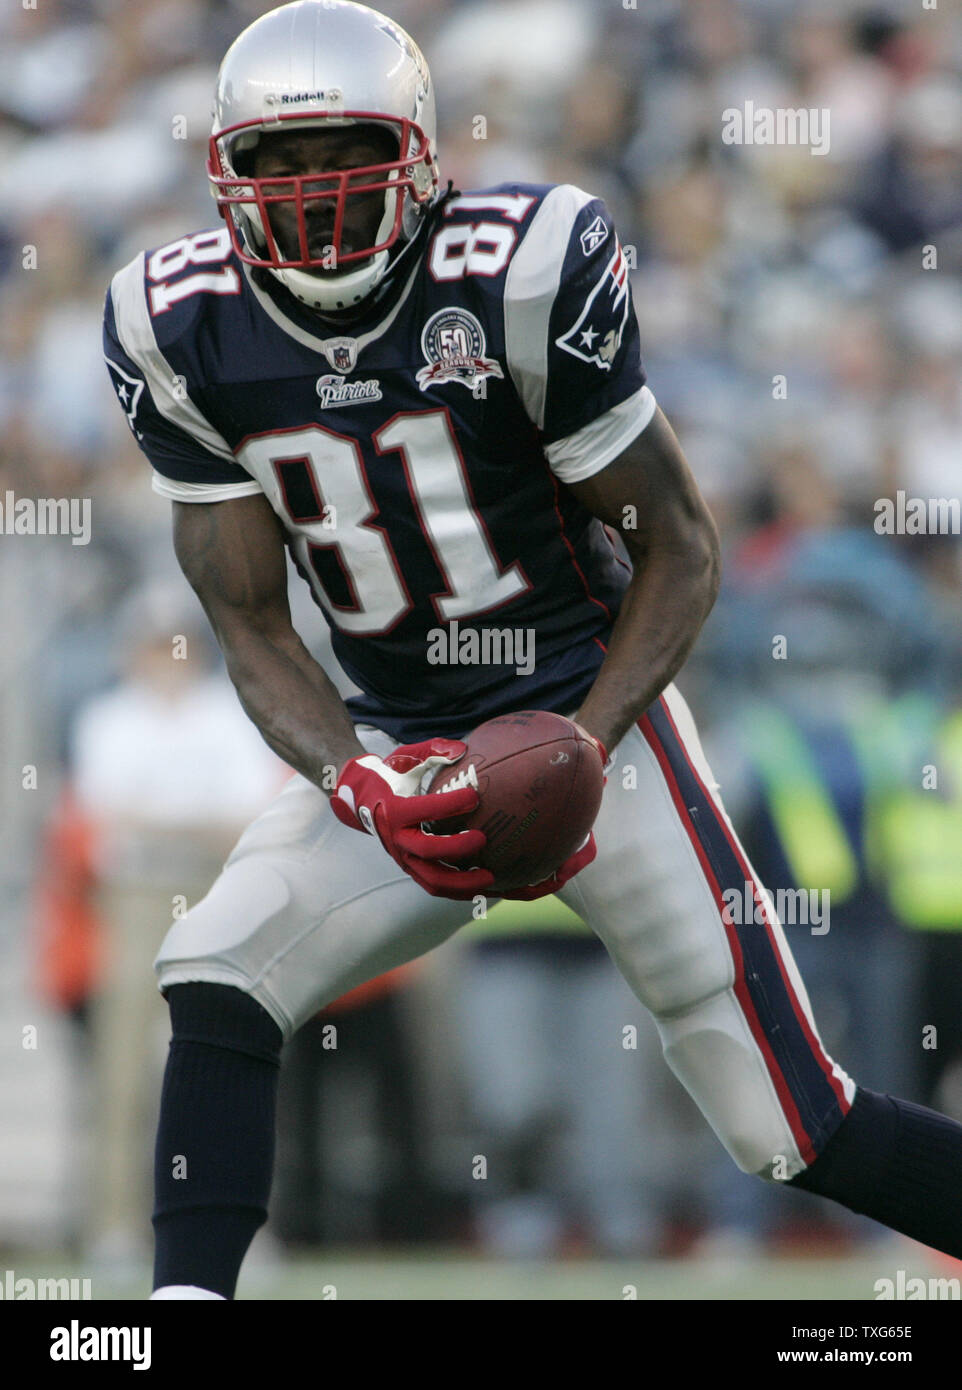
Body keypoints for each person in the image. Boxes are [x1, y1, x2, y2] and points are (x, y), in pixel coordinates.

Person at [102, 0, 962, 1300]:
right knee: (217, 967)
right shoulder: (178, 324)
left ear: (418, 152)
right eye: (274, 163)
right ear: (223, 169)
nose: (311, 192)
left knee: (789, 1122)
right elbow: (246, 616)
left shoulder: (515, 266)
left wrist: (585, 739)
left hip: (587, 713)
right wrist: (355, 775)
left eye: (338, 149)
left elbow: (679, 545)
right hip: (400, 750)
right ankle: (179, 1311)